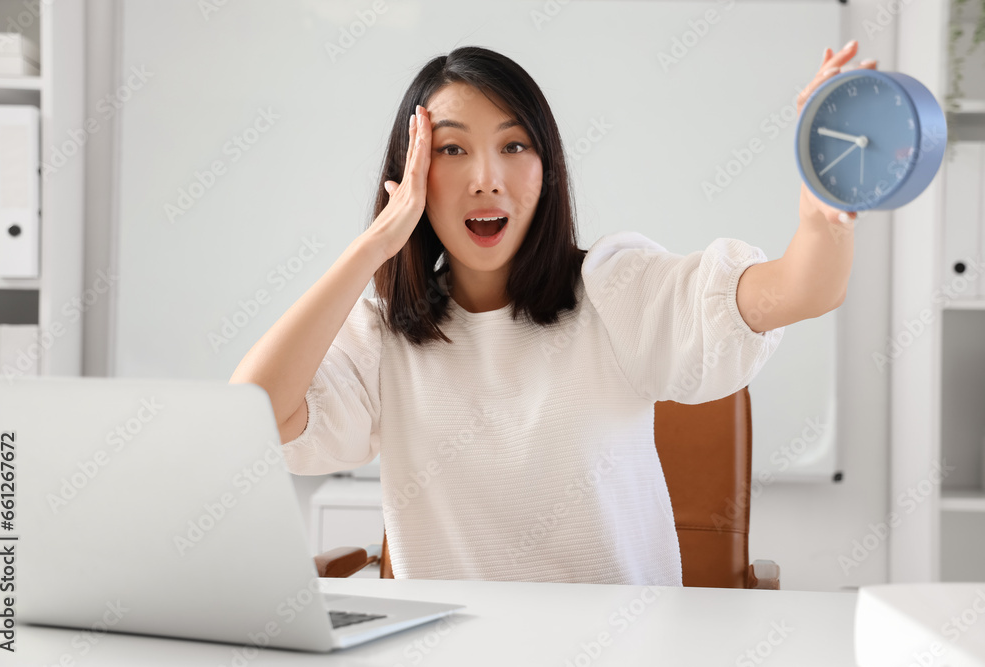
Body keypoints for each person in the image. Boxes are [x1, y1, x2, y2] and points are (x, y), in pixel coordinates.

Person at [230, 43, 874, 586]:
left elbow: (799, 290)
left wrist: (824, 207)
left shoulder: (614, 288)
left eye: (515, 146)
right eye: (452, 151)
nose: (487, 177)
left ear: (548, 170)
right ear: (414, 173)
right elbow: (250, 421)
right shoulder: (387, 332)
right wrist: (370, 248)